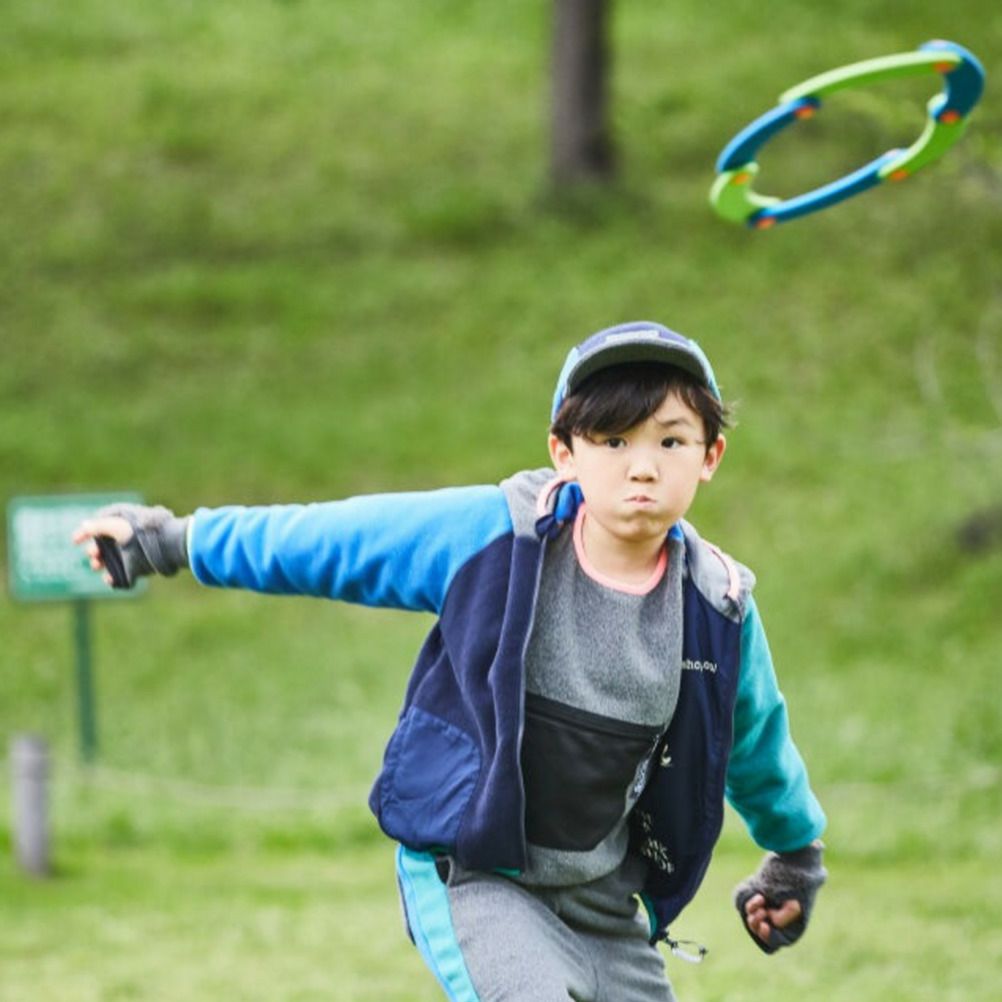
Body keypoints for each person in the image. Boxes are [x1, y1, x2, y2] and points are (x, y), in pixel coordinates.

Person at [74, 321, 827, 1002]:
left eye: (670, 442)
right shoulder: (492, 538)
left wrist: (794, 854)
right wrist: (168, 541)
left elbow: (756, 739)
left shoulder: (716, 605)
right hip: (476, 879)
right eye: (612, 441)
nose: (642, 468)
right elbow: (327, 541)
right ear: (564, 453)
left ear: (710, 456)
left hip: (605, 908)